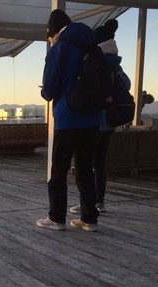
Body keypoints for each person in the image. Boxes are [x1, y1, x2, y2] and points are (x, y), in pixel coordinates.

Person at [36, 9, 101, 232]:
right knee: (85, 170)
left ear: (53, 31)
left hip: (68, 118)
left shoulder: (60, 48)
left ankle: (56, 218)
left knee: (59, 171)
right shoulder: (92, 46)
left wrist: (44, 93)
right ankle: (89, 219)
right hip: (93, 119)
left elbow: (51, 88)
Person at [69, 19, 130, 215]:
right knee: (100, 163)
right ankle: (100, 202)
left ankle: (88, 203)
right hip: (111, 121)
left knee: (86, 165)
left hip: (95, 120)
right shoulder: (117, 65)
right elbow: (127, 85)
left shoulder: (96, 62)